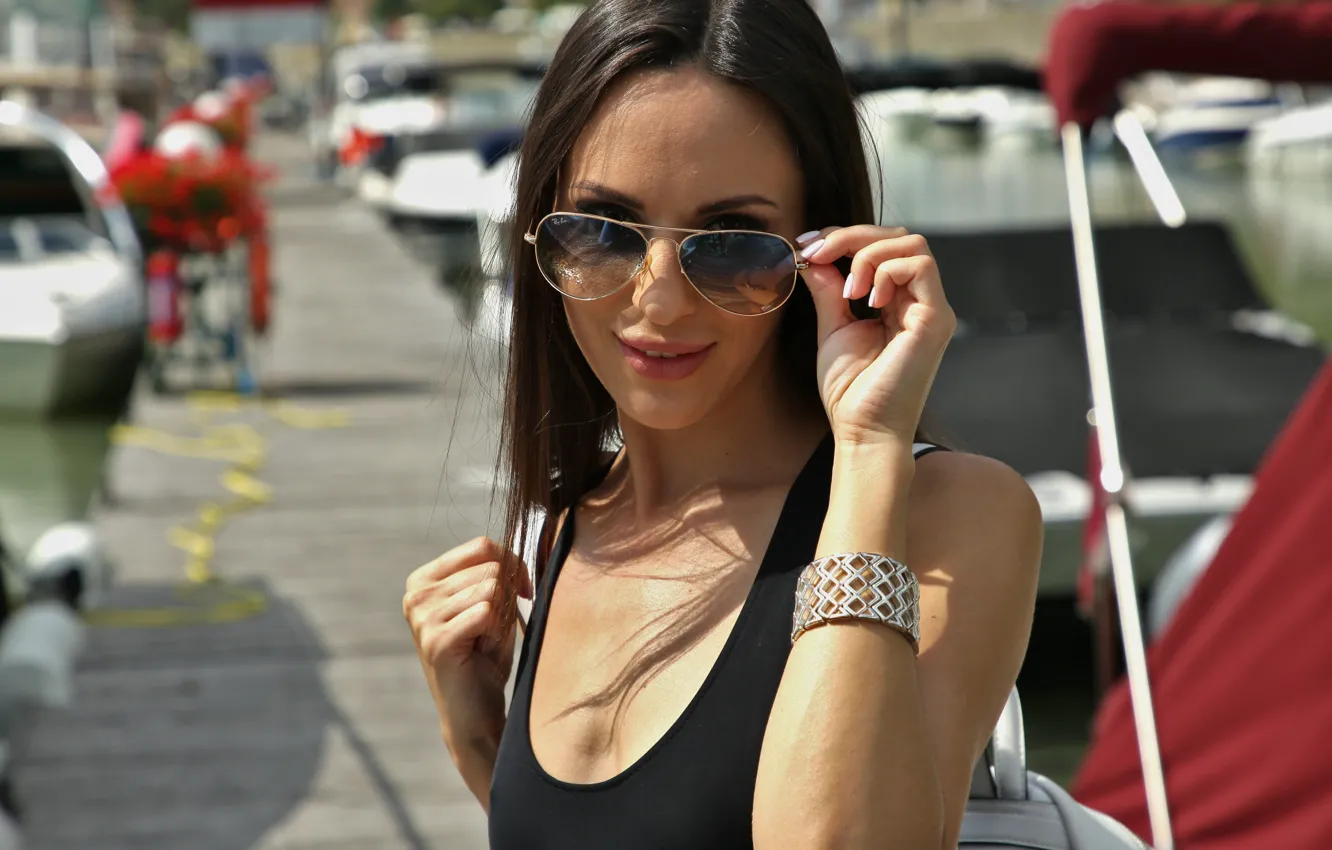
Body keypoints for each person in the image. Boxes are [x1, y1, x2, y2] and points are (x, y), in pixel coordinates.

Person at [402, 0, 1043, 847]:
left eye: (732, 242)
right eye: (601, 231)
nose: (658, 299)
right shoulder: (568, 527)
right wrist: (483, 741)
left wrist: (869, 447)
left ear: (822, 250)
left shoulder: (952, 518)